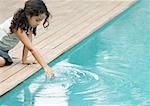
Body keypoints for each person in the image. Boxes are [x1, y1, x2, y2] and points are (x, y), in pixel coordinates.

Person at [0, 0, 54, 78]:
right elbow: (32, 49)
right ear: (28, 15)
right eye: (37, 20)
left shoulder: (29, 24)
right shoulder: (17, 26)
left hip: (3, 50)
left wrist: (24, 60)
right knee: (2, 61)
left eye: (40, 21)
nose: (38, 23)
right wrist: (46, 67)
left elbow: (28, 44)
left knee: (5, 61)